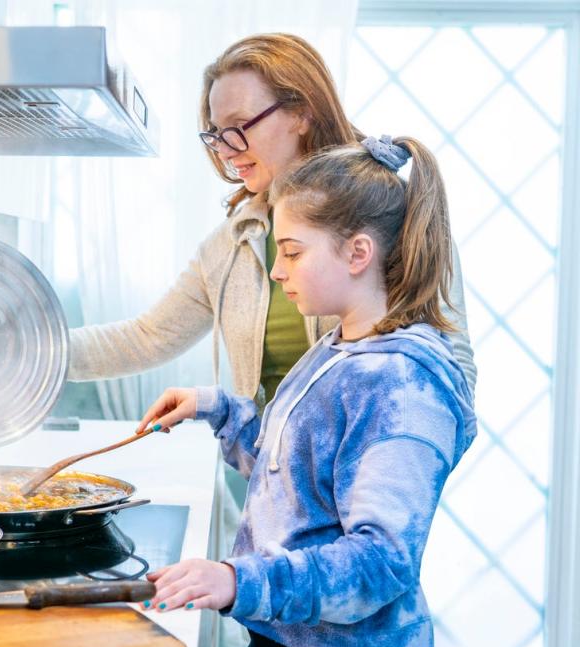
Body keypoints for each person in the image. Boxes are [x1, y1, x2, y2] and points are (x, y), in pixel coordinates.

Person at [134, 135, 478, 647]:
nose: (276, 270)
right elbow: (294, 474)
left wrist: (235, 582)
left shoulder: (402, 384)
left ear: (357, 253)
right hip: (293, 638)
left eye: (292, 252)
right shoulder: (339, 347)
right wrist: (214, 407)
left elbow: (381, 562)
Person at [68, 33, 476, 408]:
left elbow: (453, 369)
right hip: (270, 483)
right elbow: (146, 337)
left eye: (238, 127)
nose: (225, 150)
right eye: (215, 132)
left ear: (301, 114)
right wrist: (30, 350)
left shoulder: (389, 217)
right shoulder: (230, 244)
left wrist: (402, 468)